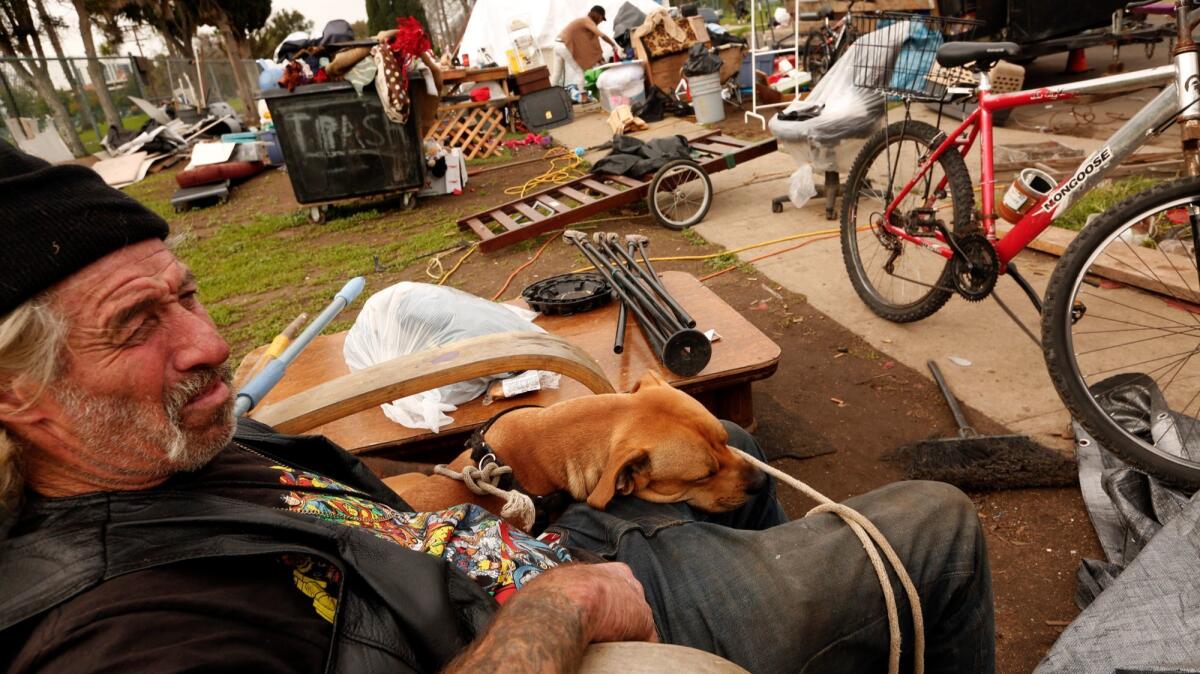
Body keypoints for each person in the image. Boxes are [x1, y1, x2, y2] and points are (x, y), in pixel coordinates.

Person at [0, 140, 994, 673]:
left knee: (726, 441)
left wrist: (491, 475)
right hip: (572, 622)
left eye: (186, 292)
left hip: (511, 552)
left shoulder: (170, 448)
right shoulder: (123, 628)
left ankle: (813, 623)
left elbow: (353, 519)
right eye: (136, 324)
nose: (208, 342)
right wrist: (562, 602)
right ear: (16, 393)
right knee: (936, 522)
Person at [552, 5, 620, 94]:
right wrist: (613, 45)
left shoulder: (584, 22)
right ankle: (584, 97)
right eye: (601, 19)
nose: (601, 21)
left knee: (557, 74)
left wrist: (599, 57)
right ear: (598, 15)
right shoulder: (587, 21)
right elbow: (601, 35)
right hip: (564, 46)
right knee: (580, 70)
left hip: (557, 44)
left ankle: (551, 96)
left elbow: (587, 43)